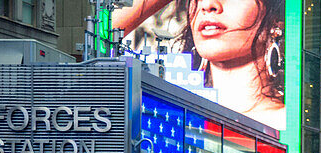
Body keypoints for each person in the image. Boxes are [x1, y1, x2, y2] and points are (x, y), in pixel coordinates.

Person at [113, 0, 285, 129]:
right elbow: (97, 32)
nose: (208, 5)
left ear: (275, 21)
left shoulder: (289, 123)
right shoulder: (166, 112)